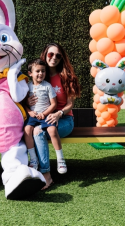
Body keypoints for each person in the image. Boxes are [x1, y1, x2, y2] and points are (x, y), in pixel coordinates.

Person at [27, 43, 80, 190]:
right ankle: (44, 173)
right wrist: (28, 101)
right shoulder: (39, 74)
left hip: (64, 120)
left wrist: (59, 113)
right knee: (36, 131)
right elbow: (26, 94)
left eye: (58, 55)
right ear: (45, 55)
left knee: (39, 132)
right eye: (51, 54)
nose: (54, 58)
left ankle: (46, 174)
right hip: (43, 119)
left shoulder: (67, 77)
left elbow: (70, 104)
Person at [24, 59, 67, 174]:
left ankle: (61, 160)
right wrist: (29, 112)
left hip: (45, 116)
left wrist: (44, 113)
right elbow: (24, 103)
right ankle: (33, 160)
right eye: (37, 71)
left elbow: (54, 104)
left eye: (43, 71)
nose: (41, 73)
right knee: (27, 130)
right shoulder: (27, 86)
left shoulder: (47, 86)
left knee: (52, 130)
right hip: (32, 116)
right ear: (30, 73)